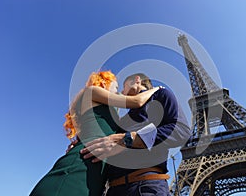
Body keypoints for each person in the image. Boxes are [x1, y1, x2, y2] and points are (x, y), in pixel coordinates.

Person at [30, 71, 161, 196]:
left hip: (97, 177)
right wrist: (156, 89)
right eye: (116, 87)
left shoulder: (108, 113)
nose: (120, 92)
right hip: (81, 167)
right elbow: (136, 101)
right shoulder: (92, 92)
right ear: (104, 83)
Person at [80, 73, 191, 195]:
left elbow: (180, 130)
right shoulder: (124, 119)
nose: (122, 91)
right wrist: (81, 141)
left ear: (137, 80)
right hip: (113, 190)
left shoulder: (161, 95)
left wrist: (130, 138)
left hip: (145, 185)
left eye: (124, 86)